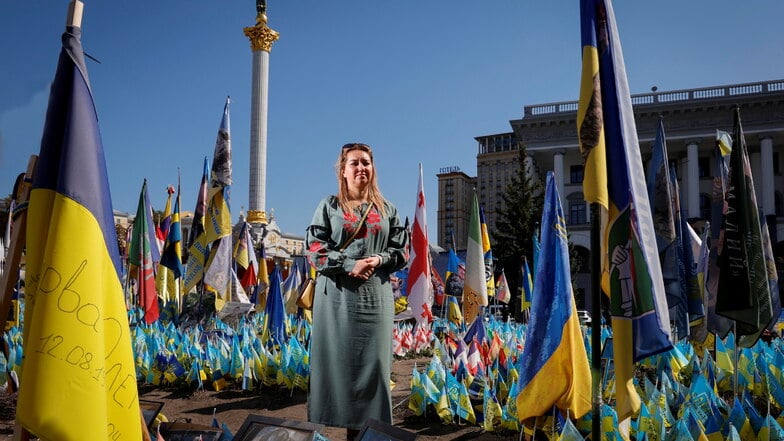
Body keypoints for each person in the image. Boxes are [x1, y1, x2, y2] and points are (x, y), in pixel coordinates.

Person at [304, 142, 409, 440]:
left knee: (374, 370)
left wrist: (379, 259)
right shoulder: (329, 206)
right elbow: (313, 249)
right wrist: (348, 264)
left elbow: (402, 251)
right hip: (336, 298)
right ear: (343, 170)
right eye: (354, 163)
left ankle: (367, 435)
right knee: (338, 368)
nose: (361, 167)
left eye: (366, 162)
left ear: (373, 169)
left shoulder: (388, 209)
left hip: (375, 299)